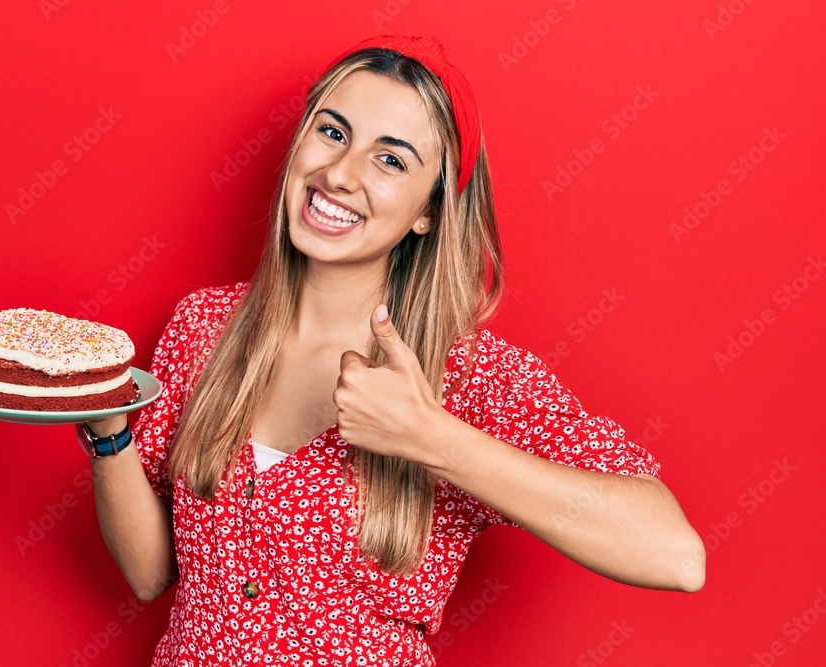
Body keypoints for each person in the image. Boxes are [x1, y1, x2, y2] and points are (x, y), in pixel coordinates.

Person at [77, 35, 705, 666]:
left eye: (392, 161)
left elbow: (674, 555)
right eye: (332, 132)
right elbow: (151, 574)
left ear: (427, 215)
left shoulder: (465, 374)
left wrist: (429, 436)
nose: (341, 174)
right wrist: (108, 432)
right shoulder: (203, 326)